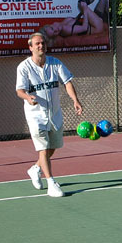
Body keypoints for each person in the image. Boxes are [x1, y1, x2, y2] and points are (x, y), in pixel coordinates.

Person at [15, 32, 83, 197]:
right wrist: (27, 97)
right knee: (43, 148)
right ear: (30, 47)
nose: (41, 46)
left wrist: (75, 100)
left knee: (53, 147)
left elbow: (67, 82)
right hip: (35, 115)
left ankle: (36, 169)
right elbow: (19, 90)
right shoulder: (24, 67)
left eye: (43, 43)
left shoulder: (55, 63)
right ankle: (51, 183)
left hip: (55, 114)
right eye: (37, 44)